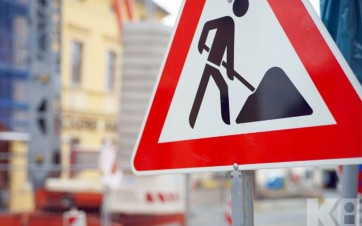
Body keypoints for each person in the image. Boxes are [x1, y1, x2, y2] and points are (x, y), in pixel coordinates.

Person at [189, 0, 249, 128]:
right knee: (206, 89)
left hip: (216, 64)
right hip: (211, 62)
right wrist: (201, 44)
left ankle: (224, 123)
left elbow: (230, 49)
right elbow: (207, 26)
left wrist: (230, 70)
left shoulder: (231, 24)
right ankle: (193, 120)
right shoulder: (225, 20)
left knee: (214, 88)